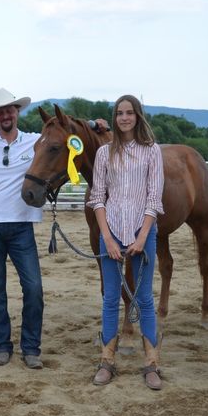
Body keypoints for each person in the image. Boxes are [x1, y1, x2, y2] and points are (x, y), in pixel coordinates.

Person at [86, 94, 164, 390]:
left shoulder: (152, 151)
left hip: (143, 230)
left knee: (144, 298)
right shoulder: (104, 153)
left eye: (129, 112)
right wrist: (107, 237)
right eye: (119, 113)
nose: (124, 118)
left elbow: (154, 198)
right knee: (110, 298)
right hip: (112, 230)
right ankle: (107, 360)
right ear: (114, 118)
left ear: (137, 116)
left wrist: (143, 236)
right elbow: (97, 197)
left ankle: (152, 363)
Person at [0, 88, 45, 369]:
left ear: (17, 112)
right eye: (0, 111)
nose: (6, 115)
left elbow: (66, 136)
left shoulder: (35, 141)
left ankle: (31, 347)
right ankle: (1, 345)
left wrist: (94, 124)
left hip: (22, 225)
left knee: (34, 288)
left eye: (10, 110)